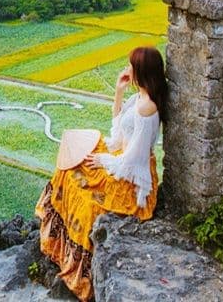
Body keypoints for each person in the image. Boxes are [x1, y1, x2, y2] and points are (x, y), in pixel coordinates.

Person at [35, 46, 166, 301]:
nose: (127, 70)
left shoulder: (147, 108)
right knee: (70, 167)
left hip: (130, 178)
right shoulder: (138, 98)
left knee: (86, 201)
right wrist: (118, 92)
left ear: (141, 70)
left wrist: (104, 161)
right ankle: (57, 246)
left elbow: (133, 159)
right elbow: (119, 133)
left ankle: (80, 270)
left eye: (130, 66)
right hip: (120, 160)